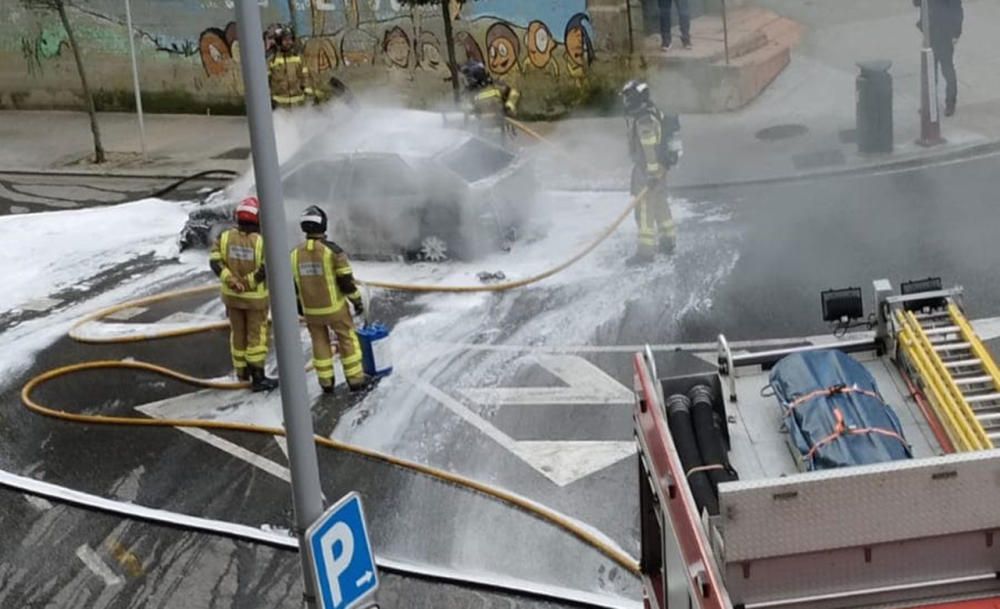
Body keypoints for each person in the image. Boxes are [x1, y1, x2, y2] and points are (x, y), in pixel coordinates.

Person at [291, 206, 374, 393]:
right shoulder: (333, 251)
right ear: (323, 224)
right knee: (347, 340)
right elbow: (346, 282)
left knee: (319, 343)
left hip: (311, 311)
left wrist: (300, 308)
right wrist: (357, 301)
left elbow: (294, 286)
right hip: (335, 309)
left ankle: (326, 383)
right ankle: (355, 380)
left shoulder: (294, 254)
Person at [209, 197, 279, 392]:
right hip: (255, 301)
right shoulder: (263, 242)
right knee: (256, 338)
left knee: (238, 336)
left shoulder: (224, 237)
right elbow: (266, 268)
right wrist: (247, 283)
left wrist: (231, 281)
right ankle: (258, 378)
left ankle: (242, 374)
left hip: (232, 298)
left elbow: (215, 261)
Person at [621, 80, 682, 264]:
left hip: (649, 171)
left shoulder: (644, 121)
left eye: (627, 98)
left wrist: (652, 175)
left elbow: (649, 149)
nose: (625, 102)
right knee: (661, 204)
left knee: (645, 210)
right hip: (660, 170)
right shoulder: (652, 111)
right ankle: (668, 240)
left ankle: (645, 253)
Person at [914, 0, 963, 116]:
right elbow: (916, 3)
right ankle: (930, 102)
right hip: (929, 30)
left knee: (947, 69)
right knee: (930, 70)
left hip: (944, 33)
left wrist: (956, 33)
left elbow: (957, 11)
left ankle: (950, 102)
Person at [460, 60, 521, 146]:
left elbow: (514, 93)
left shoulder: (496, 87)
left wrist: (508, 107)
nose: (467, 82)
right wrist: (473, 111)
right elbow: (464, 108)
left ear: (476, 77)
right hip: (481, 134)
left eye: (469, 78)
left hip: (500, 130)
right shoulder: (469, 94)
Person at [267, 25, 317, 108]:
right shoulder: (272, 58)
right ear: (279, 41)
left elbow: (305, 76)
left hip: (298, 104)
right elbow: (265, 80)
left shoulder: (298, 57)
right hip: (279, 105)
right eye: (285, 40)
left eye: (290, 39)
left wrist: (309, 95)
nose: (288, 42)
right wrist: (269, 99)